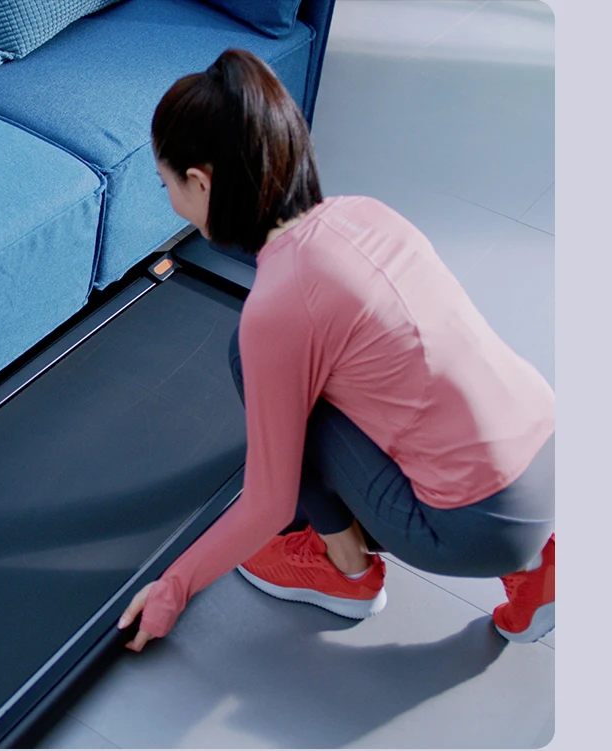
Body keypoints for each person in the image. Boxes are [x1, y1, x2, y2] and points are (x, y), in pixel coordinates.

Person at [117, 49, 555, 652]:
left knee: (257, 367)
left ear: (201, 182)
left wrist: (173, 588)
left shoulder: (276, 308)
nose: (170, 198)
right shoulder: (364, 213)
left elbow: (268, 503)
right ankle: (543, 565)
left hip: (480, 527)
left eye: (165, 183)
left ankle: (344, 569)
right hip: (550, 453)